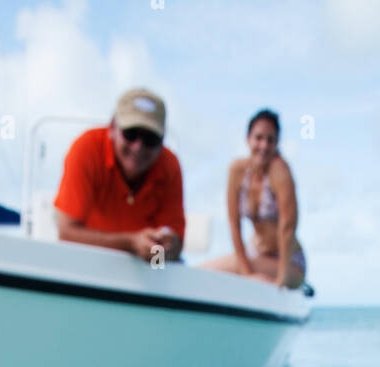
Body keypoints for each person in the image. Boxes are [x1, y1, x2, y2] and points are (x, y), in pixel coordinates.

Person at [54, 89, 185, 262]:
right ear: (112, 128)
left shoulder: (170, 165)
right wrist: (130, 243)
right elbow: (66, 233)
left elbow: (174, 246)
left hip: (146, 269)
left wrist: (168, 248)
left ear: (162, 140)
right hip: (87, 262)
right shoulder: (86, 149)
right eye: (131, 134)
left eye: (150, 138)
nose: (138, 147)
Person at [202, 110, 306, 288]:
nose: (264, 146)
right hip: (256, 253)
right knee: (224, 272)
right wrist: (247, 273)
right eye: (259, 138)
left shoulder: (279, 170)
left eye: (270, 140)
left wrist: (280, 282)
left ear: (277, 143)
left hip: (288, 261)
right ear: (248, 139)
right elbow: (234, 224)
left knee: (207, 271)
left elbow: (288, 226)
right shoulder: (237, 170)